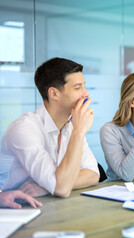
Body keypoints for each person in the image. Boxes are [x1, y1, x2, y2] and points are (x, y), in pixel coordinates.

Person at [0, 57, 100, 198]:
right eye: (78, 87)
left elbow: (93, 174)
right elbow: (62, 189)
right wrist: (78, 133)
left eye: (84, 86)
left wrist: (47, 187)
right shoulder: (24, 129)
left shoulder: (71, 125)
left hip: (47, 207)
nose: (86, 93)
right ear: (53, 93)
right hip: (12, 211)